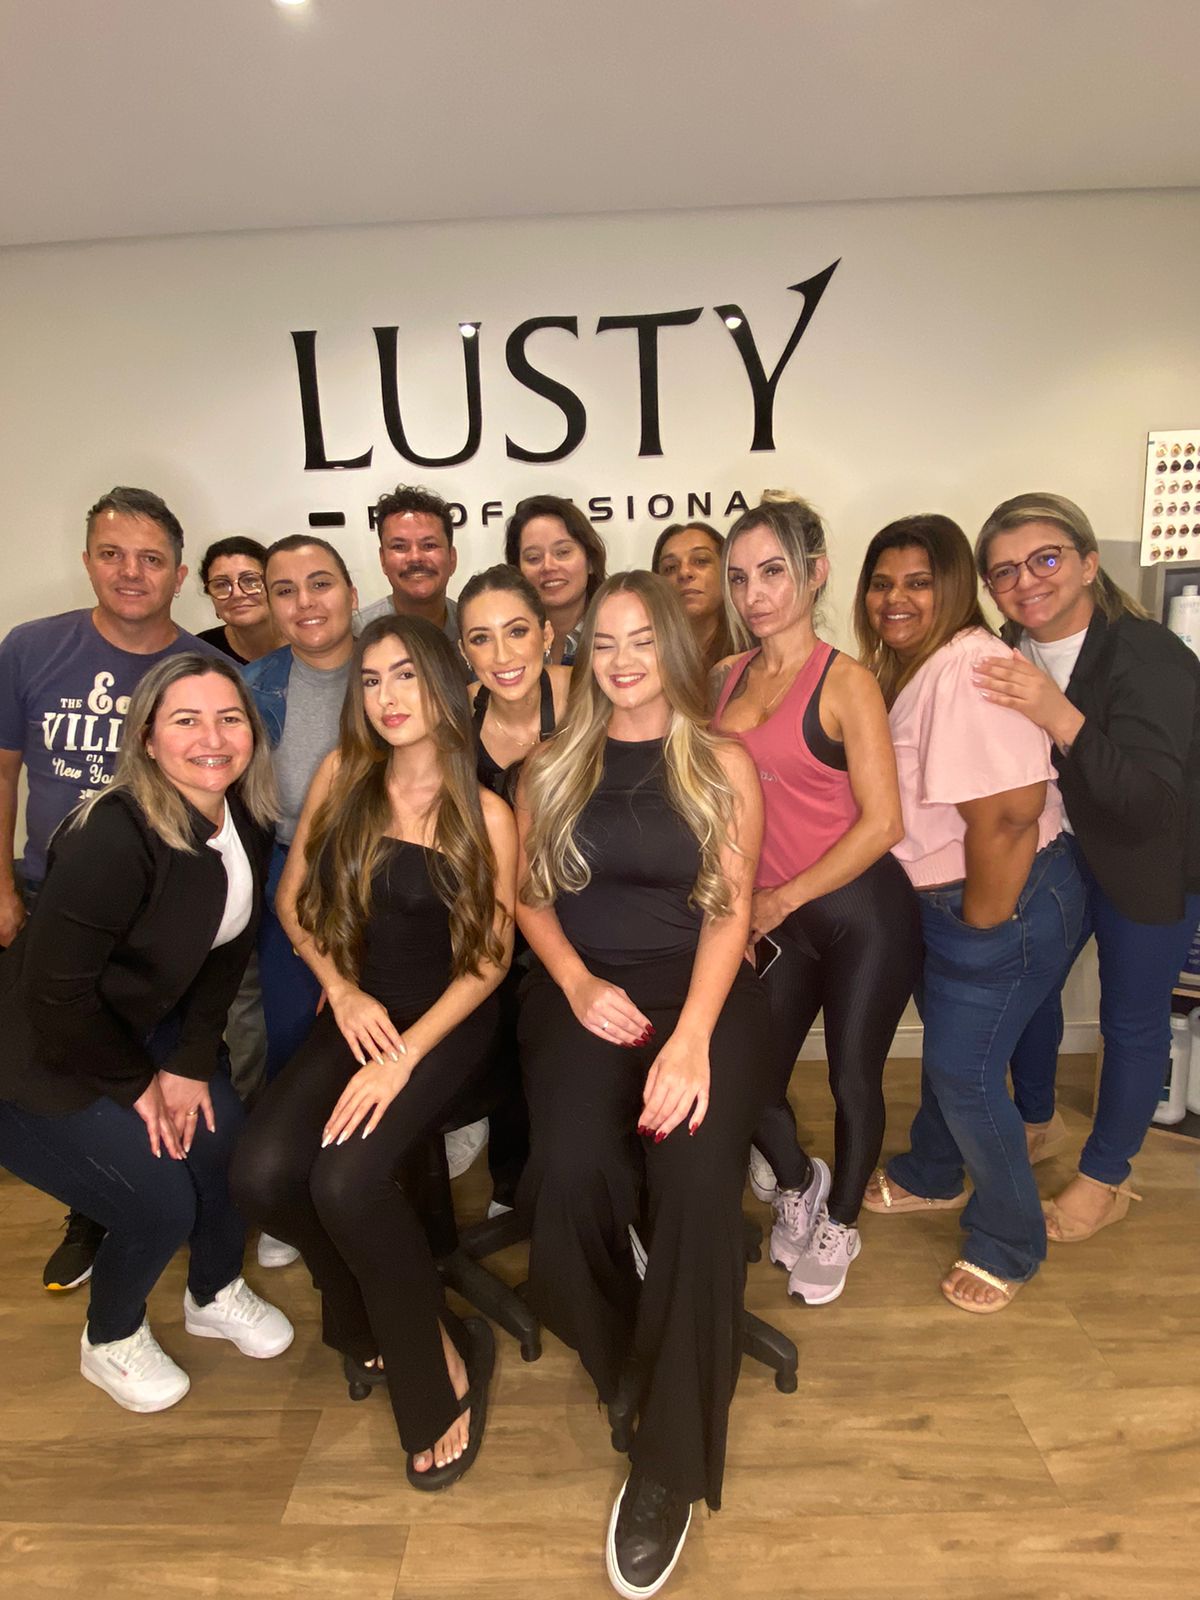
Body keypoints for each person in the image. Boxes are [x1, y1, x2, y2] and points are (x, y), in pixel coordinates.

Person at [515, 571, 768, 1598]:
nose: (622, 662)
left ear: (674, 647)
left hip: (700, 997)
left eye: (641, 640)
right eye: (604, 643)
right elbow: (528, 898)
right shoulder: (549, 766)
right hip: (586, 996)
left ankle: (668, 1464)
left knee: (698, 1189)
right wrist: (578, 983)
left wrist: (694, 1036)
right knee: (566, 1178)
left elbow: (731, 909)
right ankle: (630, 1355)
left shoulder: (720, 761)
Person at [231, 616, 516, 1488]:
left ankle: (437, 1366)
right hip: (361, 1012)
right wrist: (343, 988)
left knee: (346, 1181)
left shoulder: (487, 811)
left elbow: (490, 961)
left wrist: (405, 1055)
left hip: (448, 1025)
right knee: (262, 1175)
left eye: (406, 676)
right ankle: (380, 1308)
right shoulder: (341, 776)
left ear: (446, 686)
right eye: (372, 679)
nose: (388, 697)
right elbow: (291, 900)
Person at [0, 655, 293, 1412]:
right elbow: (54, 996)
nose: (212, 738)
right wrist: (139, 1088)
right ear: (148, 740)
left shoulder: (245, 816)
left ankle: (213, 1292)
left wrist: (190, 1063)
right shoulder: (110, 835)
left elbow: (225, 952)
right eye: (186, 720)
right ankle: (111, 1339)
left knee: (228, 1145)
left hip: (145, 1030)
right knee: (158, 1200)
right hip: (35, 1056)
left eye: (229, 718)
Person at [856, 514, 1084, 1313]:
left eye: (919, 582)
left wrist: (981, 929)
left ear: (954, 587)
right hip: (955, 896)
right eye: (882, 583)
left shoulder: (968, 666)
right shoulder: (915, 666)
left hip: (1000, 897)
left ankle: (1008, 1240)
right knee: (958, 1053)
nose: (896, 598)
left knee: (964, 1070)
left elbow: (1010, 815)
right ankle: (933, 1171)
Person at [0, 485, 221, 1294]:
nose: (131, 572)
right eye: (113, 554)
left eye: (151, 559)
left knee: (150, 1062)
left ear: (179, 575)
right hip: (48, 899)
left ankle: (165, 1199)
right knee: (65, 1065)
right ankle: (90, 1209)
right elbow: (3, 773)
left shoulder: (205, 672)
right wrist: (1, 885)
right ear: (88, 560)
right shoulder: (31, 648)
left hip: (159, 922)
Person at [973, 492, 1200, 1241]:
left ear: (1088, 563)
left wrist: (1057, 712)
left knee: (1131, 1021)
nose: (1027, 581)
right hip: (1068, 853)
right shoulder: (1008, 646)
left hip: (1156, 861)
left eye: (1046, 559)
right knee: (1030, 985)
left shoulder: (1147, 655)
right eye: (1005, 571)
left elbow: (1150, 802)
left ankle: (1107, 1177)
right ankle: (1039, 1119)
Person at [711, 498, 918, 1305]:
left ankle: (840, 1222)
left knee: (852, 1079)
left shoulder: (847, 681)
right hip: (775, 917)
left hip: (863, 914)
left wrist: (782, 898)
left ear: (815, 573)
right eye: (740, 578)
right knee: (747, 1076)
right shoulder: (725, 677)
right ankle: (798, 1182)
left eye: (773, 572)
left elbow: (885, 822)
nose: (755, 594)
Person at [458, 564, 570, 1212]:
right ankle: (510, 1176)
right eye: (481, 638)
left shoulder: (587, 699)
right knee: (498, 1031)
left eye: (517, 631)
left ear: (547, 634)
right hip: (490, 912)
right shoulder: (453, 718)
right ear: (464, 649)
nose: (501, 655)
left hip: (579, 909)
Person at [243, 535, 359, 1084]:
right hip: (291, 880)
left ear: (352, 594)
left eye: (320, 584)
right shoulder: (251, 689)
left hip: (393, 879)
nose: (305, 602)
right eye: (285, 591)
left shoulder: (398, 667)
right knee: (294, 1042)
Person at [504, 494, 607, 665]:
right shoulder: (505, 642)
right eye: (533, 557)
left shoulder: (616, 631)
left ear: (590, 561)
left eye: (563, 552)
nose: (548, 566)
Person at [357, 484, 461, 641]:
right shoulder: (357, 635)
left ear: (452, 558)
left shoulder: (472, 628)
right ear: (383, 559)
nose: (415, 558)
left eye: (429, 545)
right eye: (399, 547)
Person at [652, 521, 735, 672]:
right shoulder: (649, 657)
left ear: (727, 570)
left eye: (700, 561)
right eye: (670, 567)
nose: (684, 573)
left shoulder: (756, 654)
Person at [196, 536, 281, 664]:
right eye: (221, 584)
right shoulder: (199, 654)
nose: (237, 594)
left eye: (250, 580)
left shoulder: (306, 641)